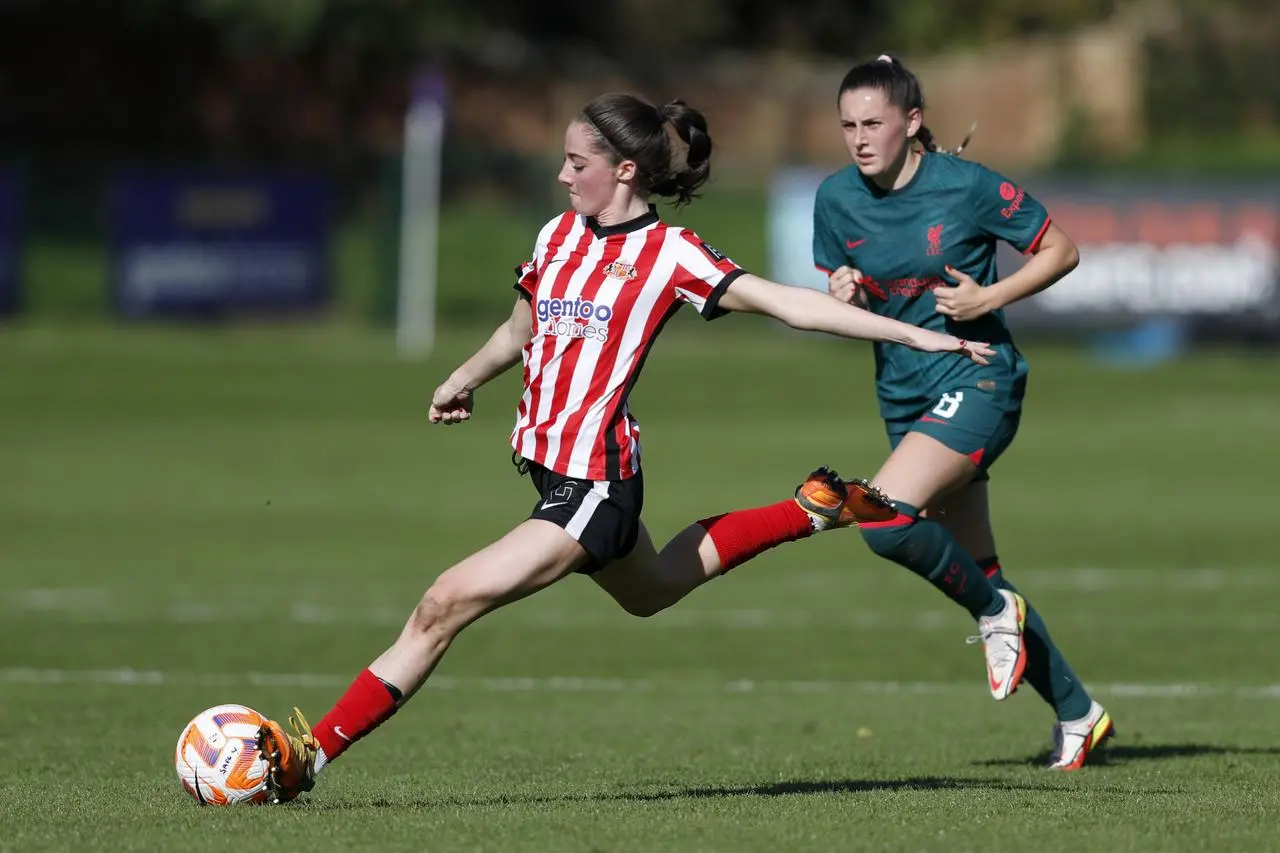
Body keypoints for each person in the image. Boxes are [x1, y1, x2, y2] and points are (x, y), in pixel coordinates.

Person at [251, 92, 997, 803]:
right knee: (656, 588)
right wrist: (464, 377)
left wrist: (914, 331)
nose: (563, 174)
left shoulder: (670, 253)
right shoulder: (555, 234)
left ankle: (306, 756)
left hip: (596, 486)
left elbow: (788, 303)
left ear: (626, 171)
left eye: (578, 163)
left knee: (443, 603)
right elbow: (520, 330)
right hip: (553, 474)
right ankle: (811, 508)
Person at [813, 54, 1114, 770]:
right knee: (981, 568)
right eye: (848, 125)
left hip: (980, 381)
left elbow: (1061, 250)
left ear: (911, 124)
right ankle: (1079, 713)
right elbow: (838, 278)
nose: (859, 139)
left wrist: (988, 298)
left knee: (880, 516)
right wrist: (844, 287)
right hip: (904, 394)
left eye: (874, 124)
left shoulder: (967, 186)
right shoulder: (835, 198)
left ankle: (993, 614)